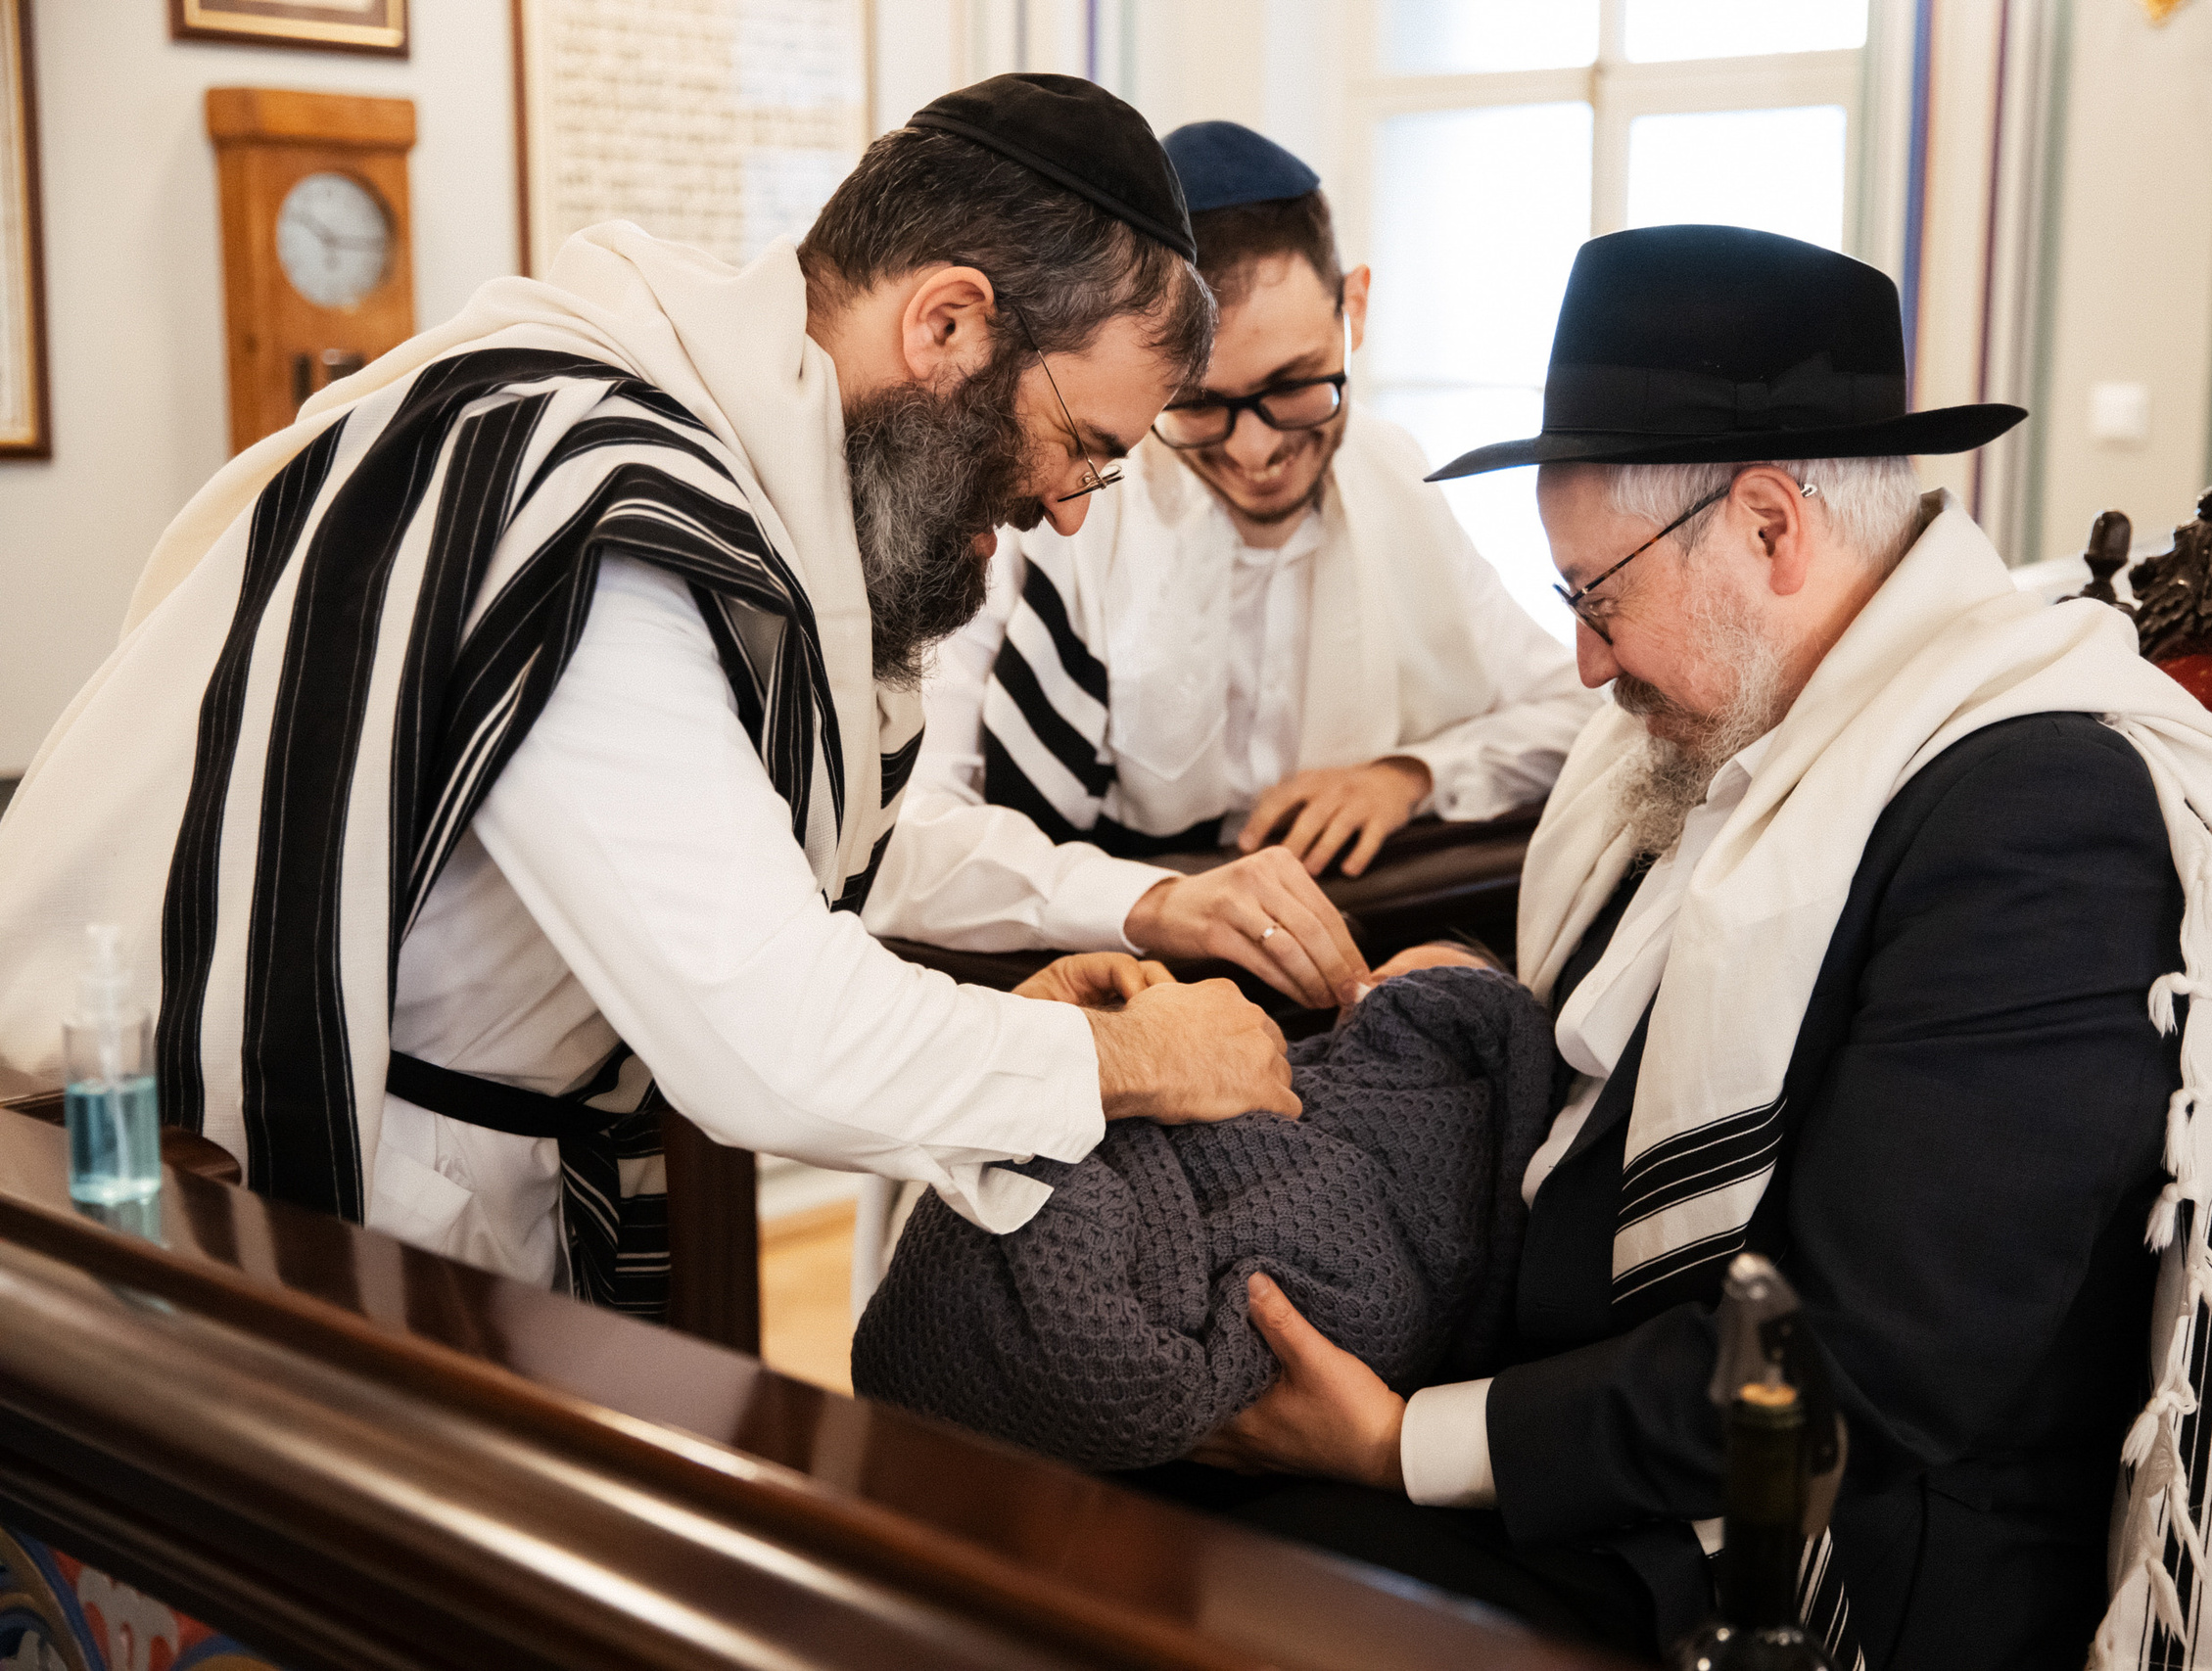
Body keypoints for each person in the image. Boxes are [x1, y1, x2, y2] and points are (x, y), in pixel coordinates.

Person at [0, 75, 1357, 1311]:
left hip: (455, 1187)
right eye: (1080, 446)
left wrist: (1124, 919)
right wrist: (1134, 1058)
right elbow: (766, 1030)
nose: (1068, 512)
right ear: (948, 323)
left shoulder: (719, 469)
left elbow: (804, 827)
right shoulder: (596, 512)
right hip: (254, 1210)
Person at [1183, 228, 2212, 1670]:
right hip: (1600, 1446)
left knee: (1199, 1571)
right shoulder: (1734, 733)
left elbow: (1871, 1363)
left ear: (1772, 526)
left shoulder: (2042, 814)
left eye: (1597, 596)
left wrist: (1399, 1443)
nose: (1586, 667)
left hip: (1804, 1562)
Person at [875, 120, 1594, 963]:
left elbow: (1579, 712)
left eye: (1296, 386)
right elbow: (906, 835)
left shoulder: (1393, 478)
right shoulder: (1049, 501)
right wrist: (1156, 901)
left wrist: (1411, 774)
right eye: (1202, 405)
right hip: (1073, 965)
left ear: (1353, 307)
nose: (1255, 453)